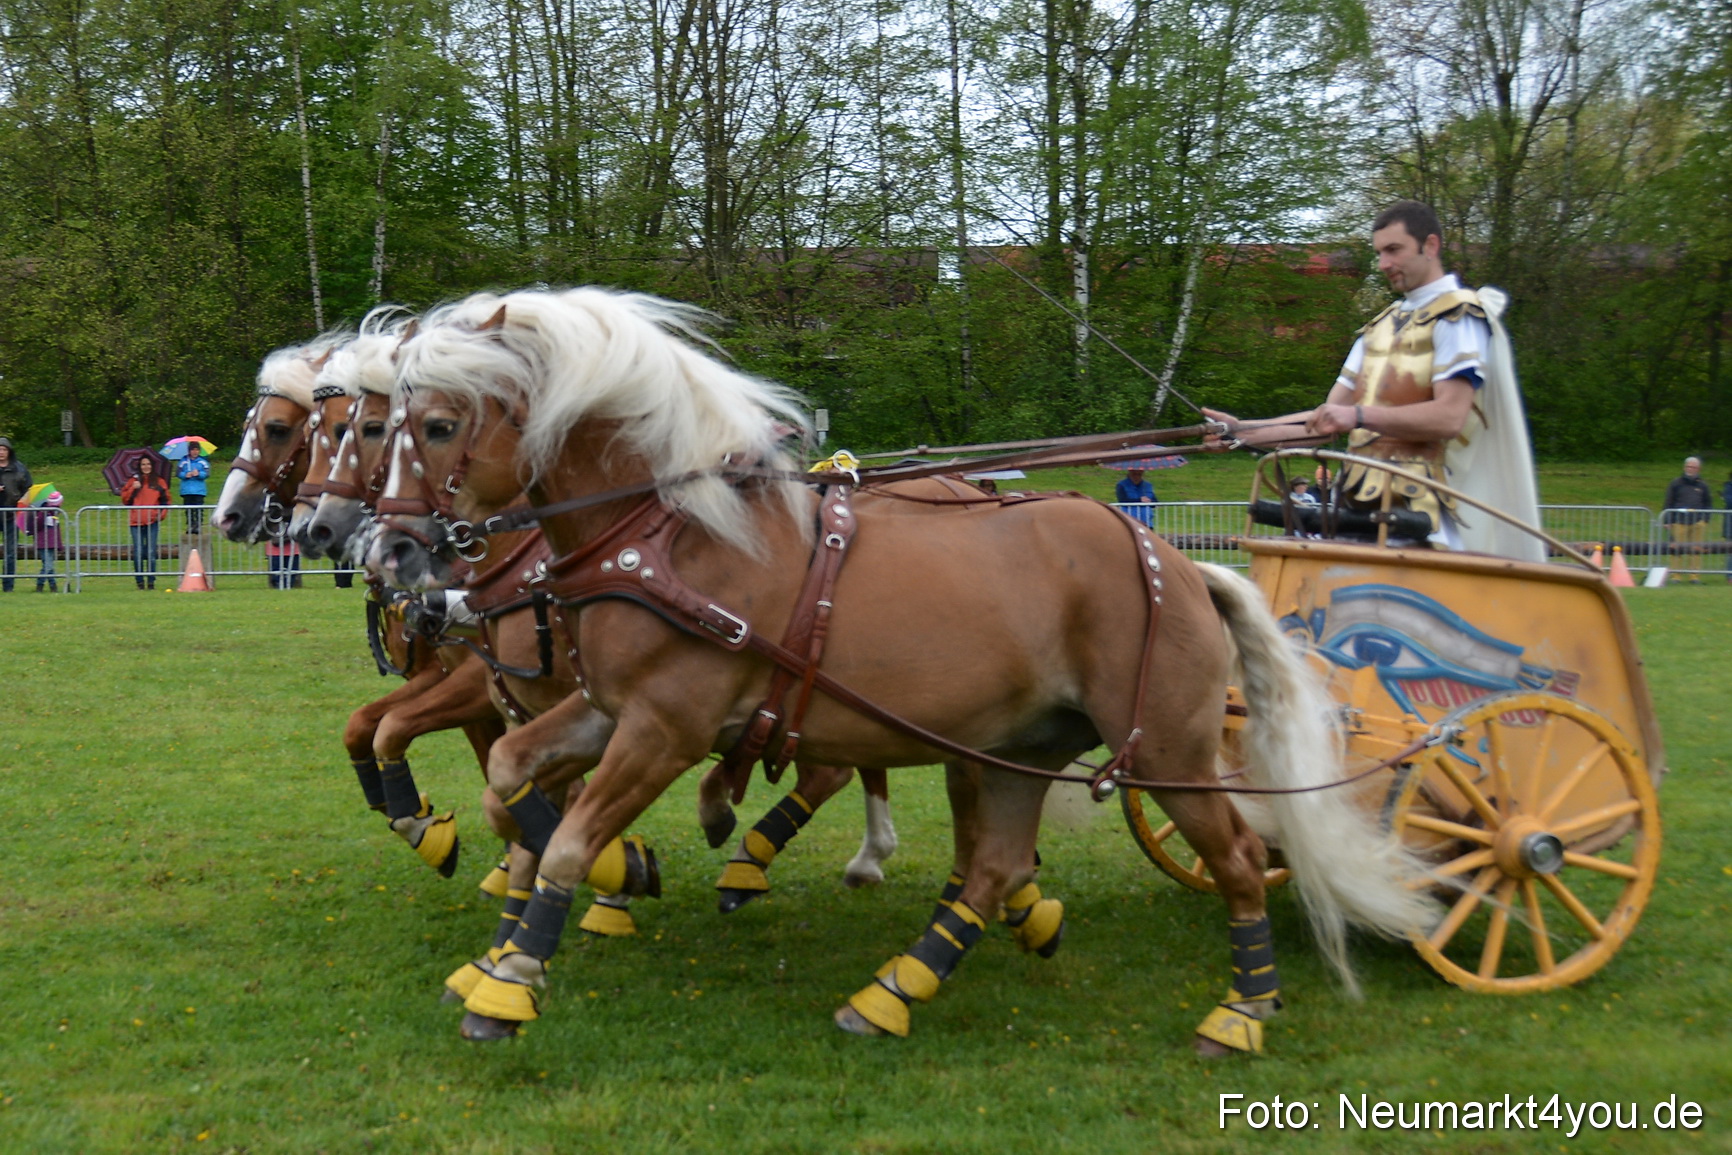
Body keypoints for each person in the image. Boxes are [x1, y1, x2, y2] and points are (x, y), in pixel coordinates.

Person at [1203, 200, 1544, 562]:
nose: (1383, 264)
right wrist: (1241, 433)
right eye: (1379, 253)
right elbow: (1326, 420)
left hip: (1418, 514)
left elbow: (1449, 417)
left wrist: (1360, 416)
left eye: (1394, 250)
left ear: (1430, 246)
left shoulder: (1458, 317)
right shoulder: (1379, 327)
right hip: (1353, 505)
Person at [119, 456, 171, 589]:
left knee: (151, 552)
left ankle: (151, 581)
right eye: (143, 464)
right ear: (139, 467)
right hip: (136, 522)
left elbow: (166, 500)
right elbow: (125, 501)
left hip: (152, 521)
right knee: (137, 552)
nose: (146, 467)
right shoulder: (133, 481)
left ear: (152, 466)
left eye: (148, 464)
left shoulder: (159, 482)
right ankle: (140, 581)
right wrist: (133, 489)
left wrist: (161, 515)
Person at [1662, 456, 1713, 584]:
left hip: (1697, 522)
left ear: (1698, 469)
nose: (1691, 469)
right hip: (1679, 522)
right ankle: (1676, 576)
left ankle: (1694, 576)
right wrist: (1667, 520)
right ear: (1685, 467)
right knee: (1676, 549)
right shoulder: (1676, 483)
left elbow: (1708, 503)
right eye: (1689, 466)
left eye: (1694, 467)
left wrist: (1705, 520)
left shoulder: (1703, 485)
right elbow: (1668, 502)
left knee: (1696, 550)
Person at [0, 436, 35, 592]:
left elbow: (29, 489)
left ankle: (8, 586)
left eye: (4, 449)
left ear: (9, 451)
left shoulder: (20, 468)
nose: (1, 452)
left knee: (10, 552)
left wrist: (22, 504)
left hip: (12, 515)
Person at [21, 492, 63, 592]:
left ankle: (52, 586)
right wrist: (43, 515)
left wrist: (59, 545)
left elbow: (57, 532)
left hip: (52, 543)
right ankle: (41, 585)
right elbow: (37, 525)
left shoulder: (54, 514)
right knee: (48, 565)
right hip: (43, 543)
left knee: (49, 566)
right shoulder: (43, 512)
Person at [177, 442, 211, 534]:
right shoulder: (183, 461)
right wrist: (185, 475)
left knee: (198, 509)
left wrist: (199, 474)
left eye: (197, 450)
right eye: (193, 449)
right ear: (189, 451)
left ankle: (198, 525)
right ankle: (191, 525)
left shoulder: (202, 461)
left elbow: (207, 473)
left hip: (199, 490)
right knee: (188, 509)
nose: (195, 452)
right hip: (187, 490)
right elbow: (178, 473)